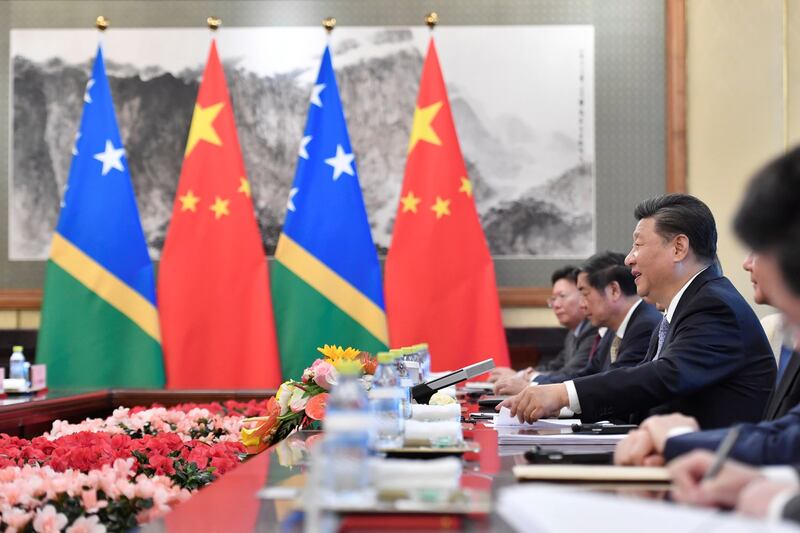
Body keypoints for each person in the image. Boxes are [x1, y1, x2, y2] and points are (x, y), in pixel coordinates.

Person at [498, 194, 775, 428]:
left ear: (679, 248)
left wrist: (563, 394)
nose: (629, 258)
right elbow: (641, 384)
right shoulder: (685, 306)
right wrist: (565, 407)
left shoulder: (714, 305)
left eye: (638, 245)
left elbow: (663, 377)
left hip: (706, 471)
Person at [638, 147, 800, 523]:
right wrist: (755, 479)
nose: (746, 263)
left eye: (759, 249)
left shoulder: (714, 303)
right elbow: (789, 433)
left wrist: (774, 500)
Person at [496, 251, 660, 393]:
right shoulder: (612, 329)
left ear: (614, 290)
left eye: (585, 293)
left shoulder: (644, 326)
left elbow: (613, 384)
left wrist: (532, 387)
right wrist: (536, 387)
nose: (582, 304)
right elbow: (587, 375)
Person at [489, 266, 597, 386]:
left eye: (562, 296)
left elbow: (570, 374)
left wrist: (524, 378)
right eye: (553, 299)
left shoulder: (594, 331)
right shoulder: (574, 332)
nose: (556, 304)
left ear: (582, 294)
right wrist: (518, 375)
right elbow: (554, 366)